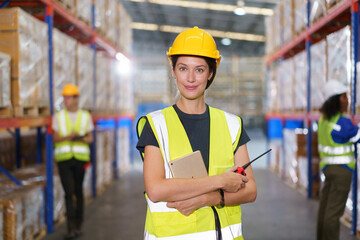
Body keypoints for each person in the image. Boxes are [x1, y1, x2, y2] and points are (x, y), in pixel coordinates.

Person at [136, 26, 257, 240]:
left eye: (199, 70)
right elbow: (155, 189)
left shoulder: (232, 125)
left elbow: (250, 191)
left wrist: (208, 199)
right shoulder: (156, 125)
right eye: (183, 68)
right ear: (173, 70)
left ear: (211, 73)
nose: (190, 78)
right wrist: (220, 181)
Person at [317, 80, 359, 240]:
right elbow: (357, 136)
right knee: (334, 213)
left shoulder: (324, 120)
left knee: (325, 208)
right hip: (342, 170)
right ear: (336, 99)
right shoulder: (340, 122)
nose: (347, 99)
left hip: (328, 168)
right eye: (344, 96)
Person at [52, 83, 94, 239]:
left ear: (76, 99)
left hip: (80, 159)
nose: (66, 100)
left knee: (78, 192)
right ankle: (71, 228)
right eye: (64, 98)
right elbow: (55, 139)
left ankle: (78, 224)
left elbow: (90, 138)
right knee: (68, 193)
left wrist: (79, 138)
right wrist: (66, 137)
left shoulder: (85, 115)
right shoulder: (58, 116)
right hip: (64, 160)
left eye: (69, 97)